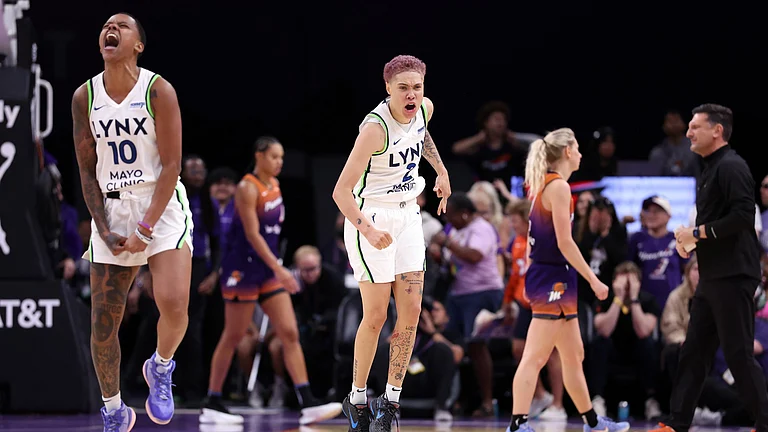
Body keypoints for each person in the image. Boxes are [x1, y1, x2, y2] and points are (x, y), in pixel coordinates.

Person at [72, 13, 193, 432]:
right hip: (111, 207)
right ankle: (114, 409)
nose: (111, 29)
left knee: (175, 305)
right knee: (104, 320)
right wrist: (102, 229)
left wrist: (145, 228)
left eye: (122, 26)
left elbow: (173, 164)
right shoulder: (83, 96)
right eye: (106, 25)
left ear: (138, 44)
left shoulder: (158, 90)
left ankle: (160, 367)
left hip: (160, 202)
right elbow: (87, 171)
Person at [332, 54, 451, 432]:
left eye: (417, 87)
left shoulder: (423, 109)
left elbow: (422, 133)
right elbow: (340, 192)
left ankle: (391, 402)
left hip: (408, 216)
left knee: (412, 311)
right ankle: (356, 397)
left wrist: (441, 170)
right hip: (372, 217)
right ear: (388, 89)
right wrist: (367, 230)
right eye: (403, 88)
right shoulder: (374, 129)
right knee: (377, 315)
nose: (412, 94)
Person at [199, 137, 342, 426]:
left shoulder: (275, 186)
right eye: (274, 157)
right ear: (259, 156)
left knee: (289, 333)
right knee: (234, 336)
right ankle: (212, 400)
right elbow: (252, 235)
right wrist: (281, 269)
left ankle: (308, 401)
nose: (279, 162)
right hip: (241, 270)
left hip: (266, 269)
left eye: (282, 157)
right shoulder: (246, 187)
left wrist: (274, 268)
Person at [653, 104, 768, 432]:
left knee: (738, 356)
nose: (688, 133)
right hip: (713, 276)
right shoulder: (710, 169)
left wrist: (698, 233)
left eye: (695, 127)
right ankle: (676, 424)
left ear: (717, 131)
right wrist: (691, 242)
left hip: (734, 276)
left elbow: (744, 216)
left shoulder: (732, 166)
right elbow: (718, 224)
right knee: (693, 353)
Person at [506, 128, 629, 432]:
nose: (582, 154)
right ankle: (517, 424)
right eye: (577, 148)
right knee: (535, 356)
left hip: (557, 278)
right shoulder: (558, 187)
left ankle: (592, 422)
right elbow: (565, 242)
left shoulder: (545, 184)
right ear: (566, 153)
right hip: (551, 279)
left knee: (574, 355)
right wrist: (593, 280)